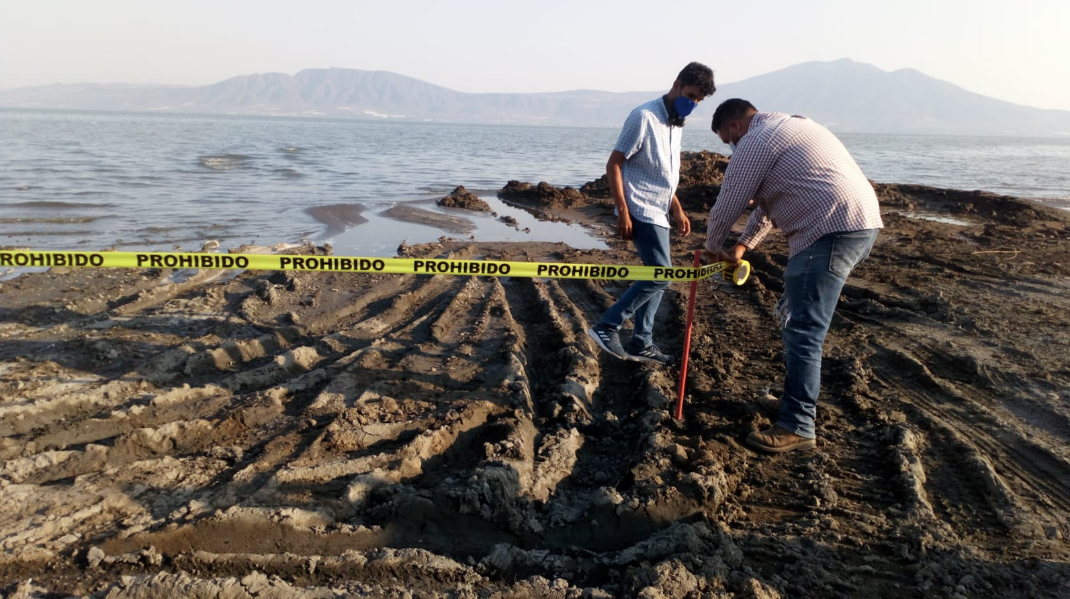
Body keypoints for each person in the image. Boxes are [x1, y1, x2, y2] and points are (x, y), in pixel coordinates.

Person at [703, 98, 883, 453]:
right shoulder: (794, 126)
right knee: (798, 318)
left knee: (803, 329)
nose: (731, 147)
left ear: (736, 127)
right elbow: (768, 204)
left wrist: (711, 247)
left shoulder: (754, 141)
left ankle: (798, 425)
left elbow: (729, 202)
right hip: (859, 226)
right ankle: (793, 402)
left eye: (728, 140)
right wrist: (740, 247)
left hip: (829, 232)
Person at [586, 62, 715, 365]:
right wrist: (622, 211)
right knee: (662, 275)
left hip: (660, 211)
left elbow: (664, 174)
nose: (693, 103)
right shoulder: (643, 117)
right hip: (640, 209)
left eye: (699, 100)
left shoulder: (675, 122)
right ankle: (607, 326)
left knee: (654, 273)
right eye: (691, 95)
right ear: (676, 85)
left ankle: (641, 342)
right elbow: (614, 164)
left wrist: (677, 208)